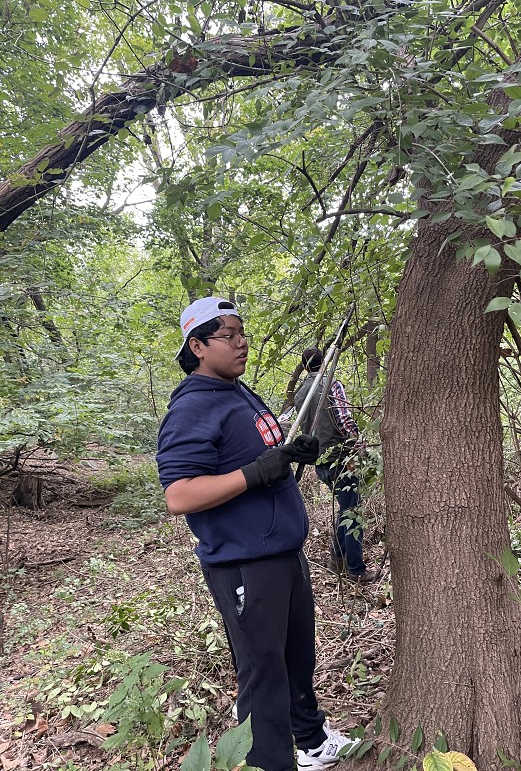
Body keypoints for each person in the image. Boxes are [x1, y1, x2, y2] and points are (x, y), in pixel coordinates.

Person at [156, 297, 358, 771]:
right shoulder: (193, 406)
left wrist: (290, 454)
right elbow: (179, 495)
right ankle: (268, 762)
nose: (242, 342)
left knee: (296, 660)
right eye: (228, 335)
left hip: (282, 552)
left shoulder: (237, 391)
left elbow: (261, 453)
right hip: (245, 562)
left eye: (242, 332)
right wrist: (255, 474)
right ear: (198, 346)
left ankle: (310, 742)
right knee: (264, 675)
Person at [294, 347, 377, 584]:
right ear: (324, 363)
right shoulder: (331, 384)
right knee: (353, 512)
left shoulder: (300, 394)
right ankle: (356, 570)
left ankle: (336, 558)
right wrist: (359, 443)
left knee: (346, 509)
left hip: (320, 462)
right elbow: (344, 420)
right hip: (342, 459)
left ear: (305, 367)